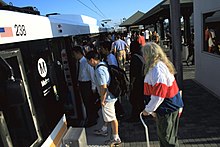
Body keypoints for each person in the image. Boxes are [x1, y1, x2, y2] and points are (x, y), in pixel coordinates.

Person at [141, 42, 184, 147]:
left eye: (144, 54)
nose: (143, 56)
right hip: (169, 106)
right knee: (169, 137)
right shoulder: (159, 66)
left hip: (167, 108)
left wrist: (148, 109)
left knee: (167, 138)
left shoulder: (157, 69)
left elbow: (159, 95)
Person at [85, 50, 121, 146]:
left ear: (92, 60)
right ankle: (104, 129)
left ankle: (116, 137)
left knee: (112, 117)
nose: (88, 63)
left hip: (108, 97)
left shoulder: (99, 70)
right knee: (107, 115)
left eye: (88, 61)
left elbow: (103, 87)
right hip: (110, 95)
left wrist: (103, 100)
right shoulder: (103, 64)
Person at [72, 46, 98, 127]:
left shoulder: (86, 62)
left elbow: (92, 75)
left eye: (74, 54)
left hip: (87, 85)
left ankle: (92, 120)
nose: (74, 56)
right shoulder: (79, 62)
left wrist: (93, 87)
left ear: (78, 53)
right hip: (82, 85)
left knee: (89, 103)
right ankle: (91, 117)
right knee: (86, 103)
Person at [128, 39, 146, 122]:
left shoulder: (135, 57)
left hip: (136, 82)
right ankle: (142, 113)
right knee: (140, 99)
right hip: (142, 80)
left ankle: (135, 115)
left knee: (134, 99)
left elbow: (133, 73)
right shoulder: (141, 55)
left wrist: (131, 83)